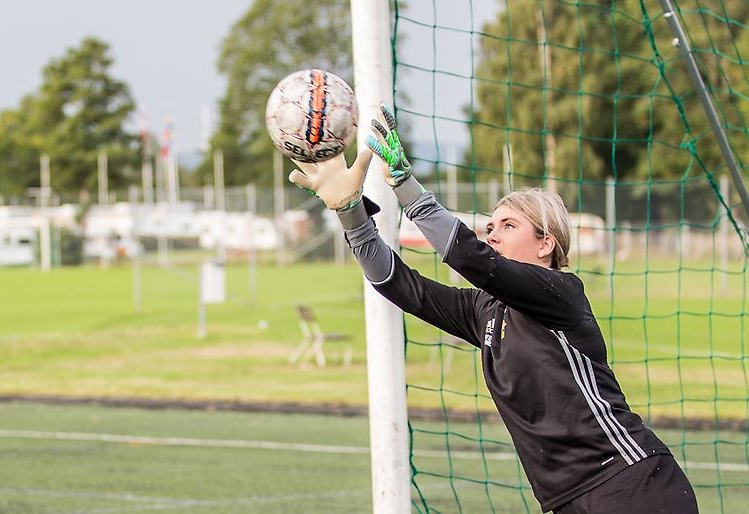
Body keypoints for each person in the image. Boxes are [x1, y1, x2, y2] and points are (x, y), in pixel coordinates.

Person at [287, 105, 699, 514]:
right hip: (566, 500)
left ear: (546, 244)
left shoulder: (561, 293)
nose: (492, 233)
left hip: (631, 485)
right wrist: (349, 212)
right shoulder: (486, 311)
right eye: (491, 225)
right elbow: (397, 283)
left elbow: (474, 260)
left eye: (508, 225)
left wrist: (404, 182)